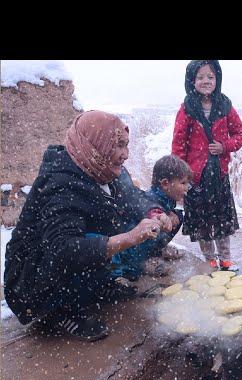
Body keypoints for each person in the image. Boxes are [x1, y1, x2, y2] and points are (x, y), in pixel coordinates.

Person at [3, 111, 174, 341]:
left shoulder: (99, 167)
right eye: (118, 146)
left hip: (57, 261)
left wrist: (155, 213)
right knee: (100, 241)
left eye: (126, 145)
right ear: (97, 145)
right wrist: (131, 237)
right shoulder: (61, 183)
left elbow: (131, 197)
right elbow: (63, 249)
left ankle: (96, 288)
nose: (126, 154)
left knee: (116, 224)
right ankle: (59, 311)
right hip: (32, 279)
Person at [172, 60, 242, 271]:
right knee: (203, 223)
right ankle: (210, 261)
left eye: (210, 77)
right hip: (196, 178)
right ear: (192, 80)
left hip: (219, 176)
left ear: (218, 79)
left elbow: (241, 134)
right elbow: (178, 145)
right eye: (200, 77)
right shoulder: (187, 108)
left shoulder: (225, 106)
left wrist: (224, 146)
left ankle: (225, 259)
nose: (206, 81)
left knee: (223, 220)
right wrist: (180, 177)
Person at [110, 155, 192, 280]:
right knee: (153, 229)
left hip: (141, 240)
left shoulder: (166, 198)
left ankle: (157, 250)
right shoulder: (151, 200)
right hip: (131, 250)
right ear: (165, 184)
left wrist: (171, 213)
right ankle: (142, 263)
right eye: (183, 183)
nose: (188, 187)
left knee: (178, 216)